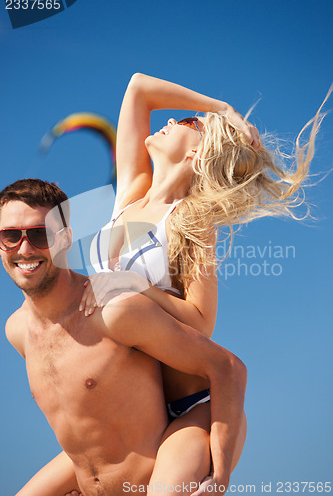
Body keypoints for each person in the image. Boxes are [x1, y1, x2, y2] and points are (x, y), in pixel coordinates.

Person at [0, 178, 247, 496]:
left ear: (65, 239)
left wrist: (220, 476)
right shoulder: (16, 331)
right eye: (10, 236)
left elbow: (229, 367)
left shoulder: (114, 311)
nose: (24, 248)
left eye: (40, 234)